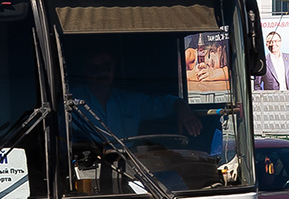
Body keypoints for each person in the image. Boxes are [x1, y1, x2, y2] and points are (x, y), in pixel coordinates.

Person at [70, 47, 201, 141]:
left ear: (114, 67)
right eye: (94, 69)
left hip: (130, 168)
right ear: (84, 71)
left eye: (106, 67)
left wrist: (182, 108)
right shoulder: (71, 102)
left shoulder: (129, 101)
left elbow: (165, 104)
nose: (101, 74)